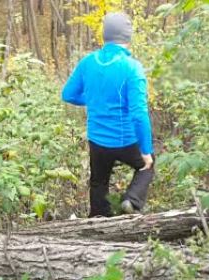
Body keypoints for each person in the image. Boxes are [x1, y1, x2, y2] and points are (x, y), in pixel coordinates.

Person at [61, 12, 154, 218]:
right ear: (128, 36)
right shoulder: (132, 68)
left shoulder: (88, 62)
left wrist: (94, 100)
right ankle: (131, 200)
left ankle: (98, 223)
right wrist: (146, 150)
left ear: (104, 35)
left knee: (98, 182)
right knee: (148, 166)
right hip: (126, 141)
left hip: (98, 141)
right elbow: (139, 113)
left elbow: (68, 94)